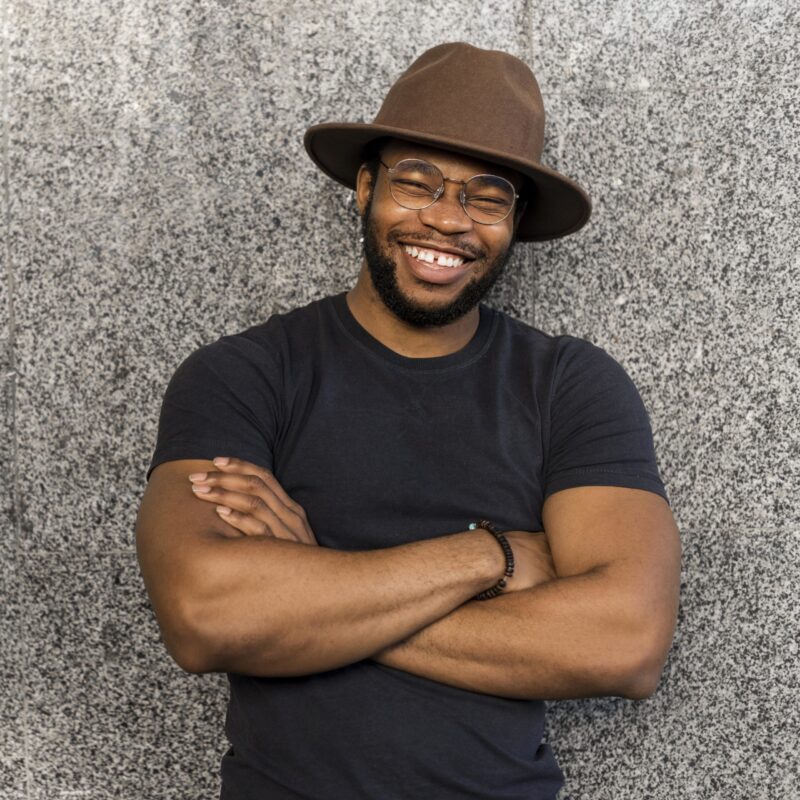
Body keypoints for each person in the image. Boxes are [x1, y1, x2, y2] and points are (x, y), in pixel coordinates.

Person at [135, 42, 681, 800]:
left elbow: (625, 642)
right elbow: (203, 615)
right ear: (364, 188)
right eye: (416, 182)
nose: (447, 219)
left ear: (515, 223)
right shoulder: (244, 375)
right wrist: (487, 559)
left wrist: (311, 587)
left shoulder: (570, 385)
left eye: (486, 197)